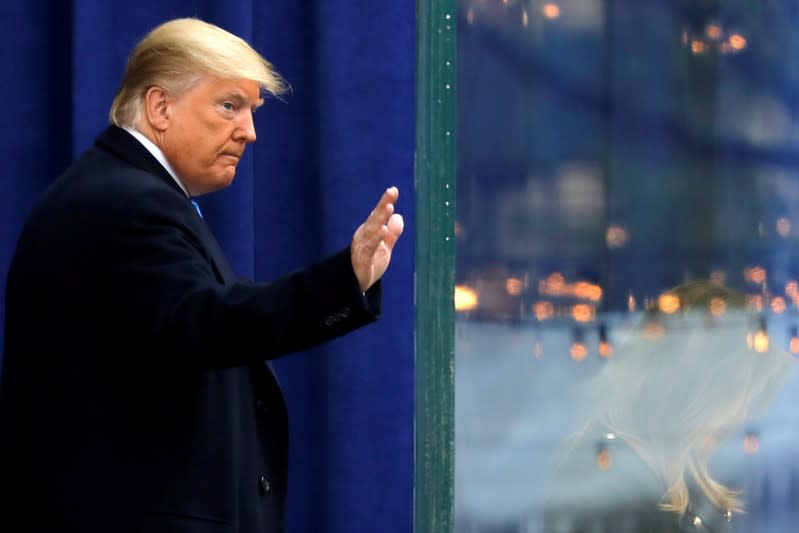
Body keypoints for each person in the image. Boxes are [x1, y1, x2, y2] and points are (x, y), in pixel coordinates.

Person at [0, 17, 403, 533]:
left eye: (252, 111)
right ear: (160, 107)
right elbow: (208, 322)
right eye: (229, 105)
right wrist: (342, 281)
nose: (250, 132)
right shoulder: (128, 203)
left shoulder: (118, 191)